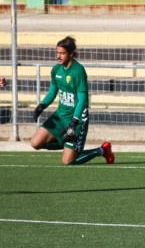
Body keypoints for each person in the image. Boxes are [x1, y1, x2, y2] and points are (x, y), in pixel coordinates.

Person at [30, 36, 115, 166]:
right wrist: (41, 106)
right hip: (60, 116)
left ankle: (102, 150)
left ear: (71, 54)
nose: (58, 56)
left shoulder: (78, 71)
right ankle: (67, 145)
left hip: (77, 118)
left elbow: (82, 99)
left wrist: (74, 122)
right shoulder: (56, 69)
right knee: (35, 143)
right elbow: (52, 92)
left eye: (62, 53)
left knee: (67, 162)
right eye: (57, 53)